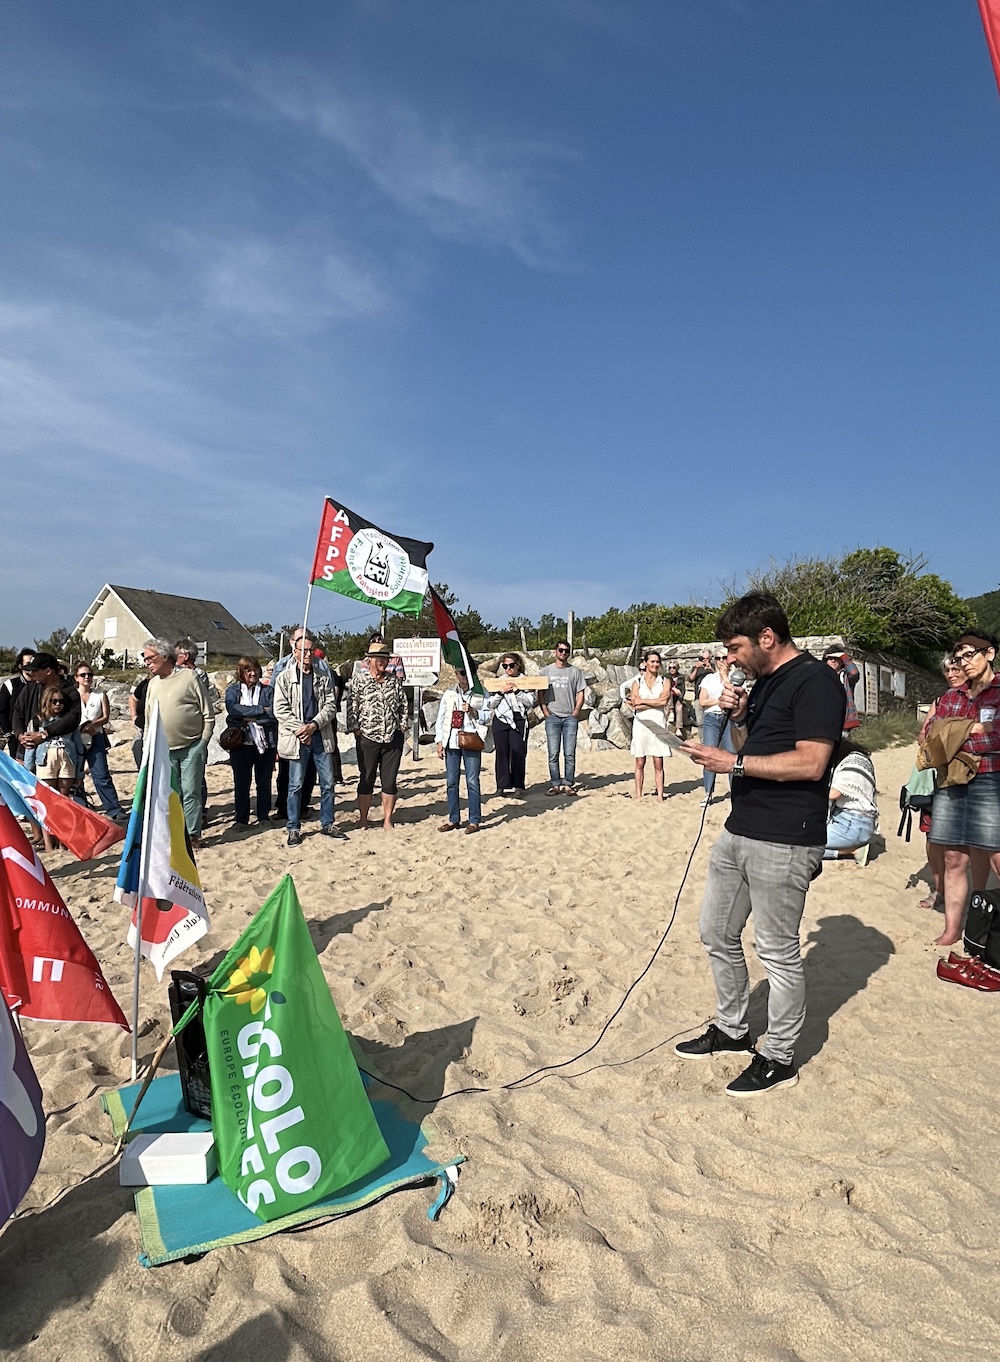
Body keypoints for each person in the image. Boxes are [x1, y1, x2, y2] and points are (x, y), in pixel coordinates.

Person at [677, 592, 846, 1097]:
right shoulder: (767, 683)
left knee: (776, 952)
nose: (729, 658)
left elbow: (812, 763)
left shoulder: (817, 682)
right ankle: (732, 1029)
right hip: (740, 828)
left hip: (787, 838)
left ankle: (779, 1055)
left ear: (766, 638)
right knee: (716, 932)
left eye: (734, 647)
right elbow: (755, 751)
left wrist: (732, 765)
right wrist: (742, 717)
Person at [925, 630, 1000, 948]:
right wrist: (975, 730)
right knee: (954, 856)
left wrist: (957, 736)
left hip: (991, 780)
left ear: (990, 654)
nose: (963, 662)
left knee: (996, 856)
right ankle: (953, 929)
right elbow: (931, 736)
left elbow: (997, 739)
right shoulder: (953, 695)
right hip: (952, 781)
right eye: (958, 657)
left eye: (970, 654)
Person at [273, 632, 343, 846]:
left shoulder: (323, 676)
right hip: (297, 739)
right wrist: (301, 729)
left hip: (320, 735)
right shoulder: (284, 677)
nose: (308, 654)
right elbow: (280, 710)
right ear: (294, 652)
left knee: (328, 783)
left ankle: (327, 823)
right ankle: (293, 827)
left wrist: (313, 726)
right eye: (304, 650)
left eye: (311, 650)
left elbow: (331, 705)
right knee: (295, 785)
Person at [142, 638, 214, 844]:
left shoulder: (190, 677)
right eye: (144, 658)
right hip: (164, 749)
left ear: (165, 657)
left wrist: (203, 742)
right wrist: (149, 747)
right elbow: (149, 720)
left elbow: (207, 712)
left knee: (191, 791)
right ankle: (176, 834)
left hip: (192, 745)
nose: (146, 662)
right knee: (173, 794)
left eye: (149, 658)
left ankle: (192, 835)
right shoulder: (152, 684)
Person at [916, 655, 966, 912]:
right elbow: (922, 736)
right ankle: (939, 891)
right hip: (938, 777)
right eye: (947, 670)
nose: (951, 674)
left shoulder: (980, 700)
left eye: (955, 669)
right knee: (932, 837)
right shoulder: (940, 701)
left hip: (968, 779)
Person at [347, 641, 408, 830]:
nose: (383, 662)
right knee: (366, 779)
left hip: (392, 738)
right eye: (379, 658)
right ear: (370, 660)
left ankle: (387, 819)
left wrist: (402, 726)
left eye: (385, 659)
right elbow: (351, 706)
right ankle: (364, 820)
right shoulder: (360, 681)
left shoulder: (394, 681)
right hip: (368, 738)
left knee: (389, 781)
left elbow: (403, 706)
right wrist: (356, 729)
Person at [224, 656, 277, 826]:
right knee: (241, 784)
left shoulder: (268, 691)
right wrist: (260, 710)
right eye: (248, 670)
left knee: (264, 782)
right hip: (241, 744)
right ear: (242, 672)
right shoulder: (233, 691)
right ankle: (241, 819)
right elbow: (233, 710)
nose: (252, 673)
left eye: (255, 669)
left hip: (264, 744)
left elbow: (273, 715)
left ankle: (263, 816)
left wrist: (248, 717)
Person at [435, 669, 489, 833]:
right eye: (460, 673)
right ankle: (454, 819)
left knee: (472, 780)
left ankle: (474, 820)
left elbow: (488, 716)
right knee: (451, 781)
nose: (463, 676)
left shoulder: (480, 693)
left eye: (466, 673)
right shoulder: (450, 693)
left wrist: (473, 711)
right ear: (456, 674)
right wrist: (439, 741)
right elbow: (441, 717)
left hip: (471, 739)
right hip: (451, 740)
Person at [74, 662, 127, 820]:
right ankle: (81, 806)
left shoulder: (99, 695)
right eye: (83, 675)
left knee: (101, 774)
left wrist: (93, 725)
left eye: (89, 674)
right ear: (76, 677)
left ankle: (114, 809)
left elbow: (105, 716)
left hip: (95, 737)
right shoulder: (71, 695)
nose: (87, 678)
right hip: (76, 738)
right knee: (76, 774)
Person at [540, 642, 585, 795]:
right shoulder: (545, 671)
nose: (563, 653)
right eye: (561, 650)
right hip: (552, 716)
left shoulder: (575, 671)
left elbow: (580, 692)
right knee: (553, 753)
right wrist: (545, 710)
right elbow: (539, 693)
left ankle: (568, 784)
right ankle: (555, 783)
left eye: (566, 651)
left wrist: (576, 711)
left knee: (569, 752)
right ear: (555, 652)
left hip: (569, 717)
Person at [488, 654, 537, 795]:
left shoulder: (525, 681)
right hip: (501, 719)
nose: (508, 668)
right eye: (505, 666)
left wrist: (518, 691)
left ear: (518, 665)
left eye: (511, 665)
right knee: (502, 753)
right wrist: (500, 693)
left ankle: (518, 786)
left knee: (518, 752)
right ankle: (501, 785)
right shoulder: (498, 682)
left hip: (519, 719)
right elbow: (491, 704)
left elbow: (530, 702)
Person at [629, 651, 673, 801]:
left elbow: (664, 701)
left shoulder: (664, 681)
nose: (655, 664)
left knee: (658, 761)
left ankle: (660, 795)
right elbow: (635, 703)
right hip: (641, 724)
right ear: (646, 663)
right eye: (652, 661)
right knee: (640, 760)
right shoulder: (637, 682)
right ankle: (639, 794)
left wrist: (644, 702)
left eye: (657, 662)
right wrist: (653, 703)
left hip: (658, 723)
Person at [823, 739, 878, 860]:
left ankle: (851, 851)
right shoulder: (861, 761)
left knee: (803, 843)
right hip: (860, 824)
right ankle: (851, 849)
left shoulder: (850, 764)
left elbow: (833, 793)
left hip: (851, 826)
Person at [697, 652, 736, 808]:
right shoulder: (708, 678)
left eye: (724, 658)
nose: (721, 661)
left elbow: (734, 695)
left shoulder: (735, 676)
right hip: (712, 718)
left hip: (729, 719)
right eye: (718, 658)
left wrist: (725, 676)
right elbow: (702, 701)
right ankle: (708, 793)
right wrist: (719, 701)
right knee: (709, 755)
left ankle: (736, 793)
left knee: (731, 756)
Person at [0, 649, 36, 758]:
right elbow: (2, 711)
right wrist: (9, 734)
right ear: (20, 666)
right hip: (15, 737)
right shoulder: (10, 685)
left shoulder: (40, 685)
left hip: (35, 736)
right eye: (27, 663)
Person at [823, 651, 862, 734]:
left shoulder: (846, 677)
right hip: (825, 719)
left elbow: (854, 673)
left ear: (841, 662)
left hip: (843, 718)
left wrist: (844, 656)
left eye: (836, 659)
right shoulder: (821, 676)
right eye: (830, 659)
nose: (833, 661)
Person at [688, 651, 714, 734]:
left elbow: (719, 677)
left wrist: (710, 668)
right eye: (703, 659)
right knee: (700, 722)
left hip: (711, 698)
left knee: (712, 721)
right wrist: (696, 668)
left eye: (707, 659)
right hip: (698, 698)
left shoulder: (713, 666)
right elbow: (690, 679)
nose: (705, 661)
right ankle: (703, 742)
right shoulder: (697, 668)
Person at [664, 661, 686, 738]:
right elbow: (665, 688)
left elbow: (683, 689)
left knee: (679, 708)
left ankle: (678, 728)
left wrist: (681, 696)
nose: (672, 669)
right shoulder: (666, 676)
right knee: (669, 692)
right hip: (668, 698)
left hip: (677, 697)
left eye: (674, 667)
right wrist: (673, 688)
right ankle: (671, 711)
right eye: (670, 668)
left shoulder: (681, 677)